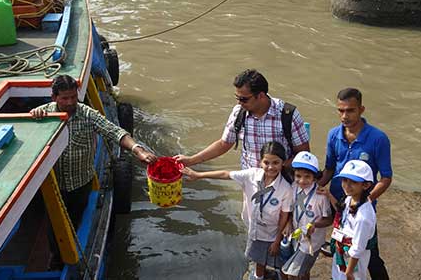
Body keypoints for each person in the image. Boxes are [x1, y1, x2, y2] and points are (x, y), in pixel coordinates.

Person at [30, 74, 156, 227]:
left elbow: (115, 132)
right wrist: (33, 118)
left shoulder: (88, 115)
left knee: (75, 221)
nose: (70, 102)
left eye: (73, 97)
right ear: (54, 97)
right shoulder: (43, 114)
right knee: (53, 226)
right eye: (65, 98)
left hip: (80, 184)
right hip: (52, 185)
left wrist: (138, 150)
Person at [181, 141, 293, 280]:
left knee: (280, 264)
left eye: (276, 163)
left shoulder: (286, 188)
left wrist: (277, 241)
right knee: (259, 260)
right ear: (260, 162)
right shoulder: (251, 175)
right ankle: (259, 277)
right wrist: (198, 175)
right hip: (255, 231)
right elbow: (225, 174)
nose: (270, 167)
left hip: (273, 234)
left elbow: (284, 216)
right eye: (266, 162)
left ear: (283, 163)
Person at [318, 88, 391, 279]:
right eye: (340, 110)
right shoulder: (334, 135)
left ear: (361, 109)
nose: (344, 116)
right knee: (340, 245)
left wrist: (365, 201)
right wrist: (313, 186)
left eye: (350, 110)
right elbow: (329, 169)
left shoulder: (378, 139)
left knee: (369, 253)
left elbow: (385, 177)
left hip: (360, 205)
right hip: (338, 203)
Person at [175, 69, 309, 172]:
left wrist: (275, 168)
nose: (239, 103)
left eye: (244, 99)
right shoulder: (239, 113)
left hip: (282, 180)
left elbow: (303, 153)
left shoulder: (288, 114)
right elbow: (224, 144)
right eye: (237, 98)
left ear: (261, 96)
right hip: (250, 180)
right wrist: (191, 160)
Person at [282, 151, 332, 280]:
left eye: (307, 176)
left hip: (312, 242)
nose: (302, 180)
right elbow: (293, 209)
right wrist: (288, 223)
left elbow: (328, 219)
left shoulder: (320, 196)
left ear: (315, 177)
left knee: (295, 273)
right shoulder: (294, 188)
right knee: (302, 272)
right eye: (298, 176)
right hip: (296, 237)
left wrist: (315, 224)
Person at [328, 160, 377, 280]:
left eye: (353, 182)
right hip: (342, 249)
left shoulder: (363, 217)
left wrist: (349, 271)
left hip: (353, 259)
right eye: (345, 180)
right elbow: (341, 211)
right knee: (337, 275)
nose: (347, 185)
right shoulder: (349, 199)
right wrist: (328, 195)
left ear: (366, 185)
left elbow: (358, 248)